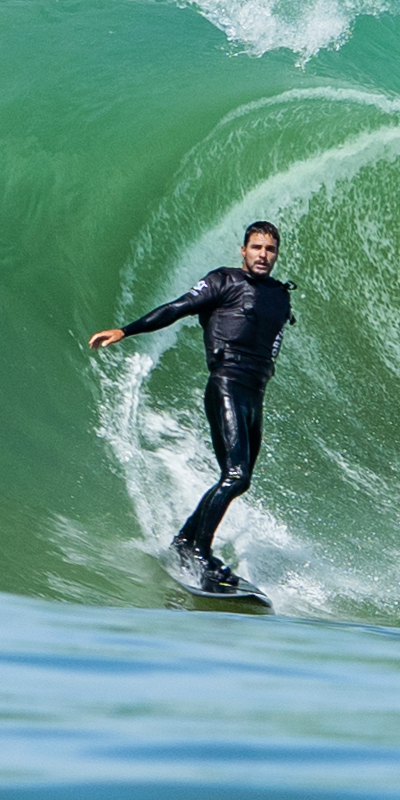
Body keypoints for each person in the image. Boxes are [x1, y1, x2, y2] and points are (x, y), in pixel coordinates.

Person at [89, 220, 295, 588]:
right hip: (226, 385)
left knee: (238, 479)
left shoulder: (281, 295)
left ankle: (185, 540)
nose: (263, 255)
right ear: (243, 250)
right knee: (236, 475)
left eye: (270, 249)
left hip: (255, 394)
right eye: (257, 248)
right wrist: (126, 330)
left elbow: (274, 343)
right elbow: (177, 308)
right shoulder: (224, 281)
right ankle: (199, 551)